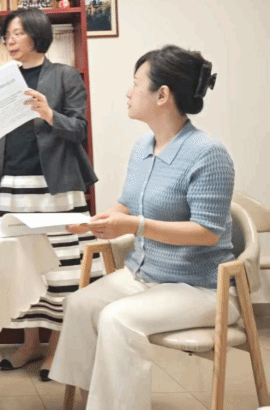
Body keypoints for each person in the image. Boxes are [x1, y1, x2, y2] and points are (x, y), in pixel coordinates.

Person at [50, 45, 231, 410]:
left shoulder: (208, 153)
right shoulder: (143, 148)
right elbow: (128, 204)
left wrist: (134, 226)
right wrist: (94, 221)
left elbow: (206, 232)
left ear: (162, 95)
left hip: (199, 287)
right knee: (80, 305)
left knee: (117, 319)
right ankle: (91, 403)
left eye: (136, 83)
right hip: (143, 276)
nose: (128, 92)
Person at [0, 8, 100, 381]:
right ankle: (30, 344)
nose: (10, 40)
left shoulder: (65, 75)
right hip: (12, 187)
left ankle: (56, 348)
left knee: (61, 271)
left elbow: (79, 128)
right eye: (6, 35)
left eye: (17, 33)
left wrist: (49, 114)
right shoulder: (2, 80)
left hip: (54, 189)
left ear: (37, 34)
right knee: (21, 268)